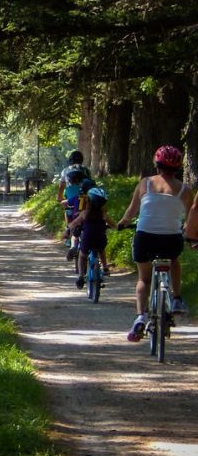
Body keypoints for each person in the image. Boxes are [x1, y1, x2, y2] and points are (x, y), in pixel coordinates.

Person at [116, 145, 192, 341]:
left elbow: (132, 210)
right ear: (178, 168)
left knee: (144, 279)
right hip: (171, 239)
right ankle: (176, 299)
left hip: (145, 237)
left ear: (156, 165)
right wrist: (189, 233)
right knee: (173, 260)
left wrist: (123, 223)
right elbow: (191, 217)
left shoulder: (146, 184)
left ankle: (140, 316)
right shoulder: (185, 190)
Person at [68, 185, 114, 288]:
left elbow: (74, 223)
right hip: (100, 239)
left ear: (89, 201)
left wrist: (68, 229)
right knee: (101, 250)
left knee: (82, 256)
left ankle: (81, 276)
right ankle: (105, 267)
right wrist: (117, 227)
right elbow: (113, 225)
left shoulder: (85, 213)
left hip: (87, 240)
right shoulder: (103, 215)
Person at [59, 164, 89, 260]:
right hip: (90, 216)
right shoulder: (88, 191)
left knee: (74, 231)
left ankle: (72, 245)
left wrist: (62, 202)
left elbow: (63, 200)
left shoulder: (71, 191)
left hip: (76, 215)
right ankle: (104, 265)